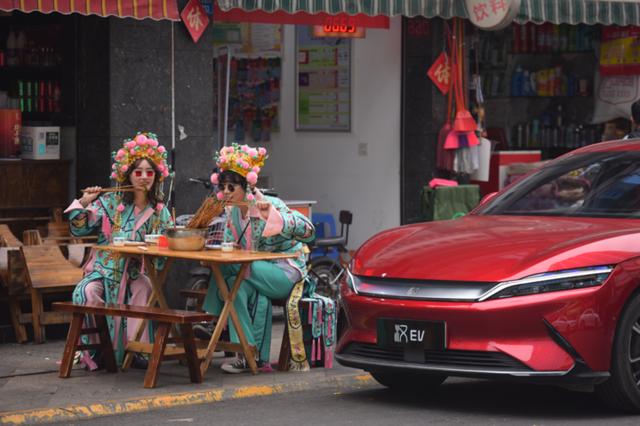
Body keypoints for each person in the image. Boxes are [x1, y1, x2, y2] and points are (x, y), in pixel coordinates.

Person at [202, 143, 315, 373]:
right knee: (235, 289)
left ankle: (210, 320)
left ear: (247, 186)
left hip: (285, 272)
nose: (226, 193)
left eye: (231, 187)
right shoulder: (232, 211)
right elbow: (229, 248)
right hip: (252, 272)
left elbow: (309, 230)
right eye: (222, 187)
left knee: (234, 272)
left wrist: (274, 218)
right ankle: (248, 354)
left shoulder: (269, 204)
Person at [64, 131, 174, 369]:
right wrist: (84, 202)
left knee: (145, 288)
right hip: (103, 270)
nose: (144, 178)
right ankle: (96, 351)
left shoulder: (160, 211)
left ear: (156, 176)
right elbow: (80, 230)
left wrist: (153, 251)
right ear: (128, 175)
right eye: (138, 172)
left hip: (135, 271)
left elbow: (166, 245)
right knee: (85, 293)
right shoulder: (110, 202)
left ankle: (139, 351)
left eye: (149, 172)